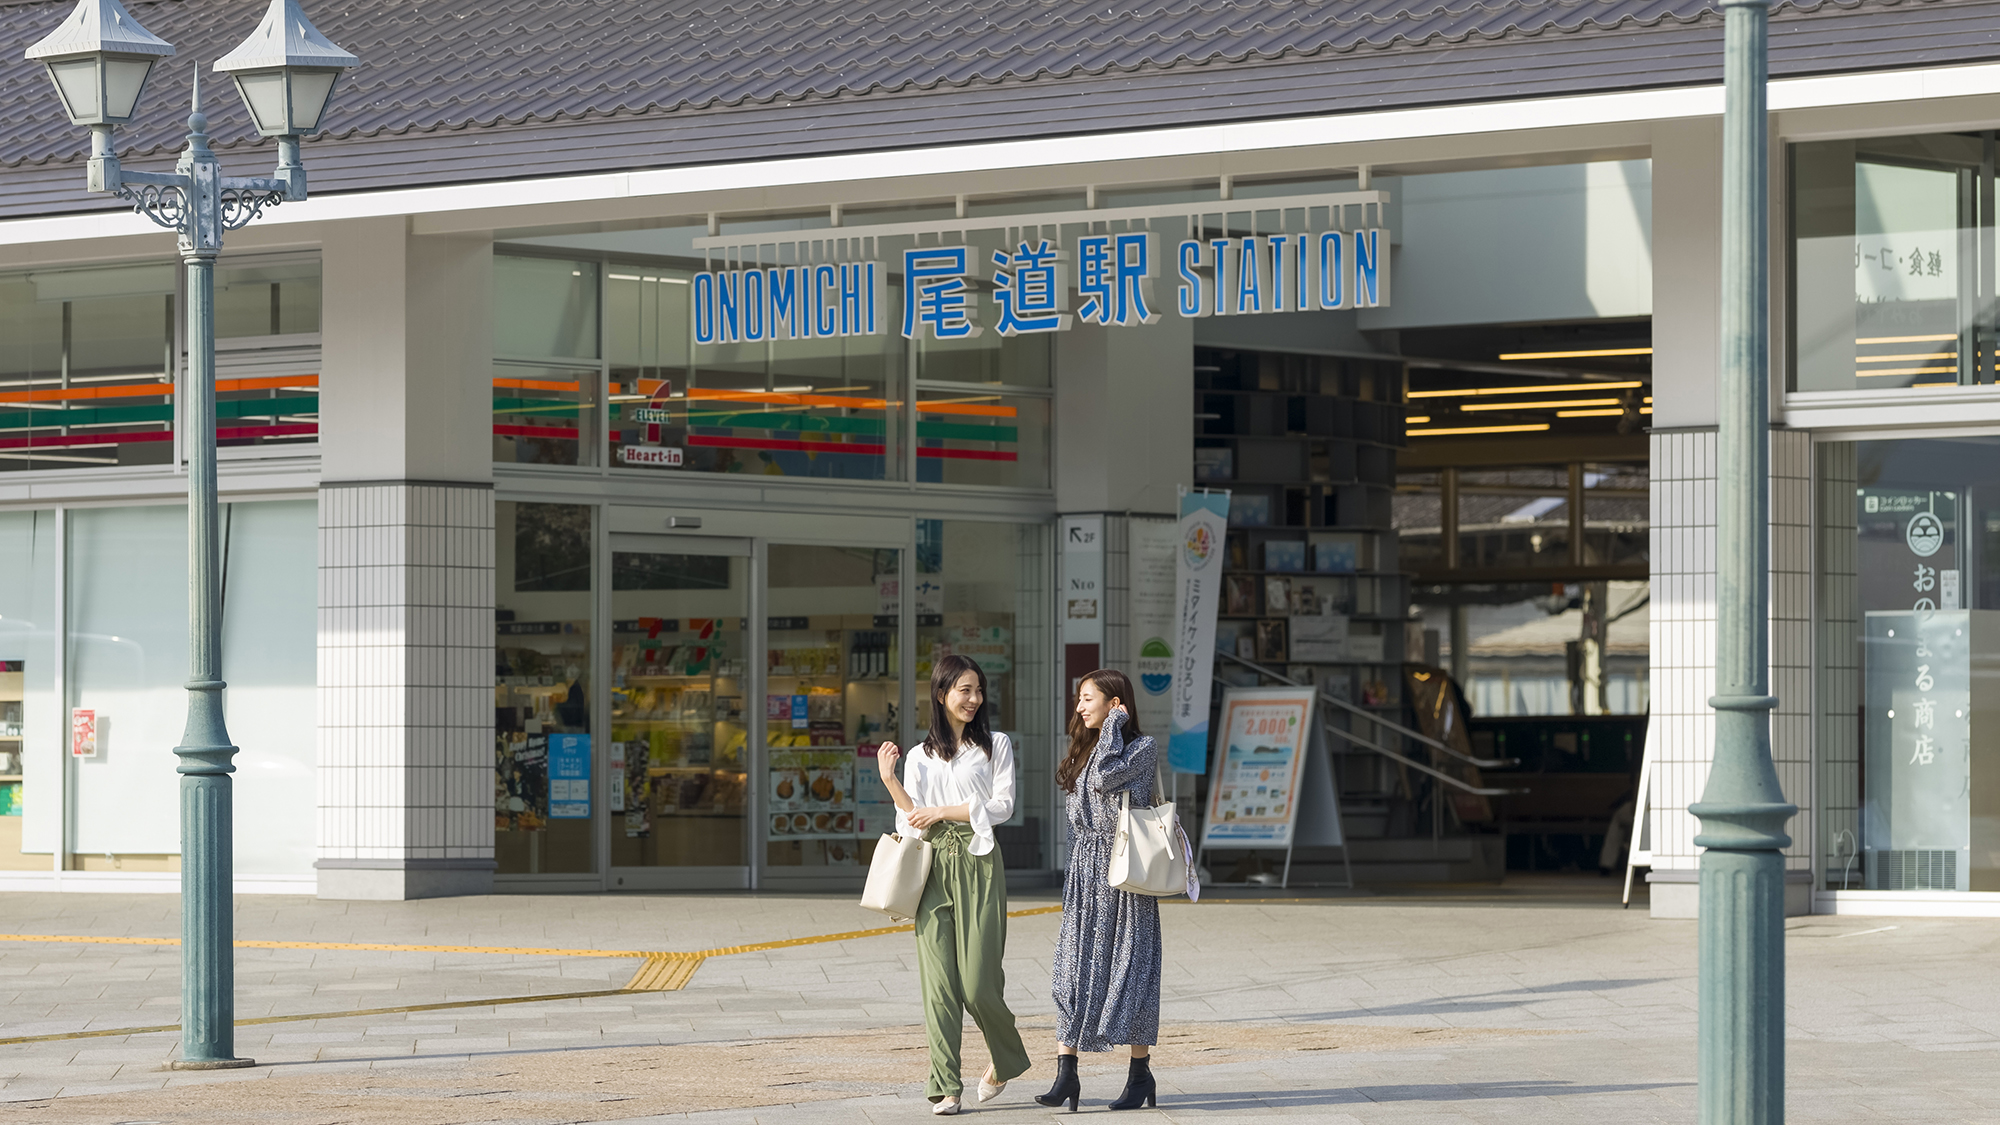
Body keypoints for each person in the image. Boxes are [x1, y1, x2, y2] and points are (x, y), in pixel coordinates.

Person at [875, 654, 1031, 1115]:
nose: (974, 699)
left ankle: (1006, 1057)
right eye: (965, 690)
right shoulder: (920, 756)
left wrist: (944, 811)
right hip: (931, 865)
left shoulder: (995, 744)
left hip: (980, 860)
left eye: (978, 690)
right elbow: (911, 820)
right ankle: (946, 1084)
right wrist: (890, 781)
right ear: (941, 694)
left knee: (979, 983)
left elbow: (1003, 806)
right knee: (939, 985)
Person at [1035, 668, 1163, 1112]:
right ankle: (1065, 1073)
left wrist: (1113, 726)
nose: (1079, 706)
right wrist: (1102, 729)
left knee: (1130, 970)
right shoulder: (1084, 749)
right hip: (1085, 872)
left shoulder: (1141, 748)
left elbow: (1109, 778)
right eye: (1079, 698)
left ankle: (1139, 1074)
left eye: (1089, 698)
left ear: (1115, 704)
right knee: (1071, 969)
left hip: (1125, 873)